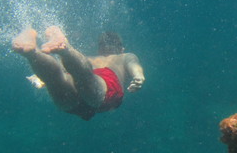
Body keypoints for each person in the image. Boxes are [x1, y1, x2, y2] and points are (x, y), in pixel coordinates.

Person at [12, 26, 145, 121]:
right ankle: (65, 49)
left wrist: (40, 78)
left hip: (79, 98)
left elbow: (60, 70)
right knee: (86, 78)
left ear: (99, 48)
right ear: (121, 48)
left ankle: (32, 53)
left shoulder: (88, 58)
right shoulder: (124, 56)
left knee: (56, 79)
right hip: (102, 85)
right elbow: (134, 64)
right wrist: (138, 76)